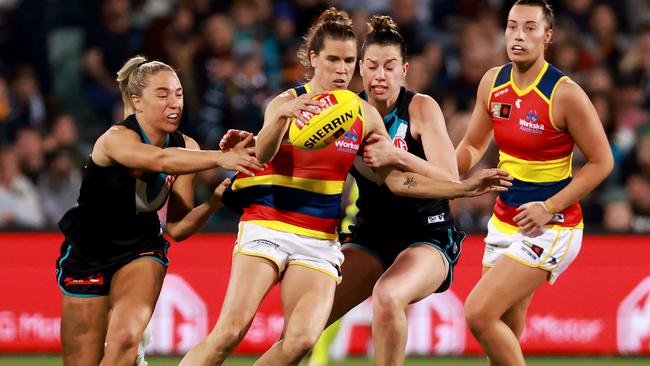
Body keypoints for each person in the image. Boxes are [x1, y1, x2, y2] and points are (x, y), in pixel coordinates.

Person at [181, 8, 511, 366]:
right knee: (258, 334)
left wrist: (444, 179)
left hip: (399, 234)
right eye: (364, 65)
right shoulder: (305, 104)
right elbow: (261, 156)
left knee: (347, 316)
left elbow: (414, 180)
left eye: (350, 61)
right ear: (316, 60)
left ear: (404, 70)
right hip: (317, 230)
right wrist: (273, 123)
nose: (348, 70)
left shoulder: (390, 111)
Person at [55, 55, 264, 366]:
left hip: (141, 249)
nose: (174, 103)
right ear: (137, 102)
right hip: (88, 253)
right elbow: (159, 161)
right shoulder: (116, 139)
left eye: (178, 94)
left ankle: (134, 347)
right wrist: (221, 158)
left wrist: (214, 201)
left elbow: (178, 228)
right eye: (163, 95)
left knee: (126, 337)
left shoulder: (187, 148)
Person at [299, 14, 468, 366]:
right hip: (370, 235)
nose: (380, 75)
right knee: (302, 325)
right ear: (360, 69)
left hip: (427, 234)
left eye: (390, 66)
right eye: (372, 66)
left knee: (389, 296)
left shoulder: (421, 108)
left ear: (404, 70)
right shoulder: (346, 111)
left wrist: (394, 154)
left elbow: (450, 180)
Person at [455, 1, 614, 365]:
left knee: (478, 313)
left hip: (552, 227)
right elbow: (473, 145)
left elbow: (602, 161)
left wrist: (549, 207)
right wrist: (443, 175)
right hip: (504, 220)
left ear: (548, 36)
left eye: (529, 28)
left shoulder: (564, 93)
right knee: (504, 335)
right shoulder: (492, 82)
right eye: (512, 27)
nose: (518, 36)